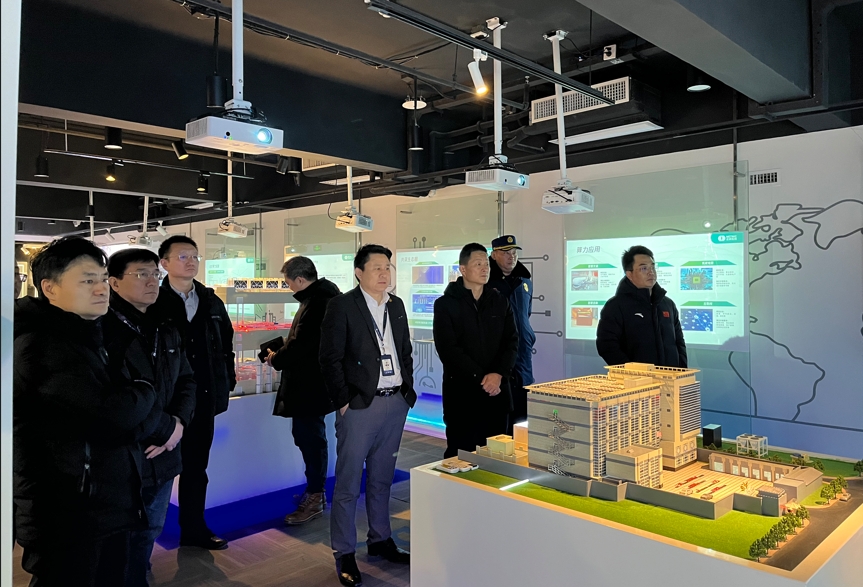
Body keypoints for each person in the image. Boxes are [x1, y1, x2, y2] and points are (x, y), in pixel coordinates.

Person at [13, 237, 158, 586]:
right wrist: (146, 389)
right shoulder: (40, 343)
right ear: (49, 288)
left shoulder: (91, 335)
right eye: (87, 280)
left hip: (103, 502)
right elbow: (112, 416)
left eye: (103, 278)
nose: (101, 288)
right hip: (68, 511)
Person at [319, 244, 415, 587]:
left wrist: (407, 388)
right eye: (377, 268)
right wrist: (343, 400)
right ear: (359, 272)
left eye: (387, 267)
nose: (384, 273)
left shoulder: (396, 305)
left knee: (382, 478)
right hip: (360, 405)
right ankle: (344, 551)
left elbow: (404, 351)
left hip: (395, 402)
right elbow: (329, 357)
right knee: (348, 482)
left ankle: (380, 539)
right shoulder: (342, 305)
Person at [103, 248, 197, 586]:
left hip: (166, 450)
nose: (152, 281)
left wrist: (178, 425)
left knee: (151, 527)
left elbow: (187, 380)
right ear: (114, 282)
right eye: (141, 274)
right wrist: (165, 429)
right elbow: (113, 399)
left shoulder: (165, 326)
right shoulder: (102, 329)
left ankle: (139, 574)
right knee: (119, 534)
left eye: (154, 274)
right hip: (126, 452)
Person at [155, 235, 235, 550]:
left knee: (196, 469)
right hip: (164, 402)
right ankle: (142, 541)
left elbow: (225, 345)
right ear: (164, 263)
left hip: (203, 398)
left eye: (195, 256)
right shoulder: (154, 300)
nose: (191, 262)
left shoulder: (211, 300)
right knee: (156, 470)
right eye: (182, 256)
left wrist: (225, 382)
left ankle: (194, 529)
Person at [267, 256, 339, 525]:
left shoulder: (317, 303)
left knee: (310, 439)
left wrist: (276, 358)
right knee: (310, 437)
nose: (289, 288)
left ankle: (316, 495)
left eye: (289, 282)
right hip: (315, 383)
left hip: (310, 386)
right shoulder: (325, 297)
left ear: (299, 279)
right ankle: (315, 490)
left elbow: (302, 345)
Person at [434, 242, 518, 459]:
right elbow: (448, 349)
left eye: (486, 264)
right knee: (462, 457)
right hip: (463, 396)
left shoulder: (500, 301)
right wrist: (482, 378)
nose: (484, 269)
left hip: (497, 394)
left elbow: (511, 342)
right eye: (478, 264)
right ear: (463, 269)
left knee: (498, 457)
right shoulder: (445, 305)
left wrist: (498, 375)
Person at [596, 245, 687, 368]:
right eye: (643, 268)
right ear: (629, 274)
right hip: (636, 378)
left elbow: (679, 341)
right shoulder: (616, 306)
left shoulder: (667, 304)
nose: (651, 272)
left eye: (652, 267)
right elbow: (607, 345)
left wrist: (681, 369)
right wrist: (631, 372)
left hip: (671, 377)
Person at [487, 235, 536, 434]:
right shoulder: (486, 282)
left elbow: (526, 315)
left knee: (521, 418)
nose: (511, 257)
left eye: (514, 253)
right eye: (506, 252)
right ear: (494, 255)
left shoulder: (524, 281)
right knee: (500, 420)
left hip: (522, 357)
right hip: (499, 359)